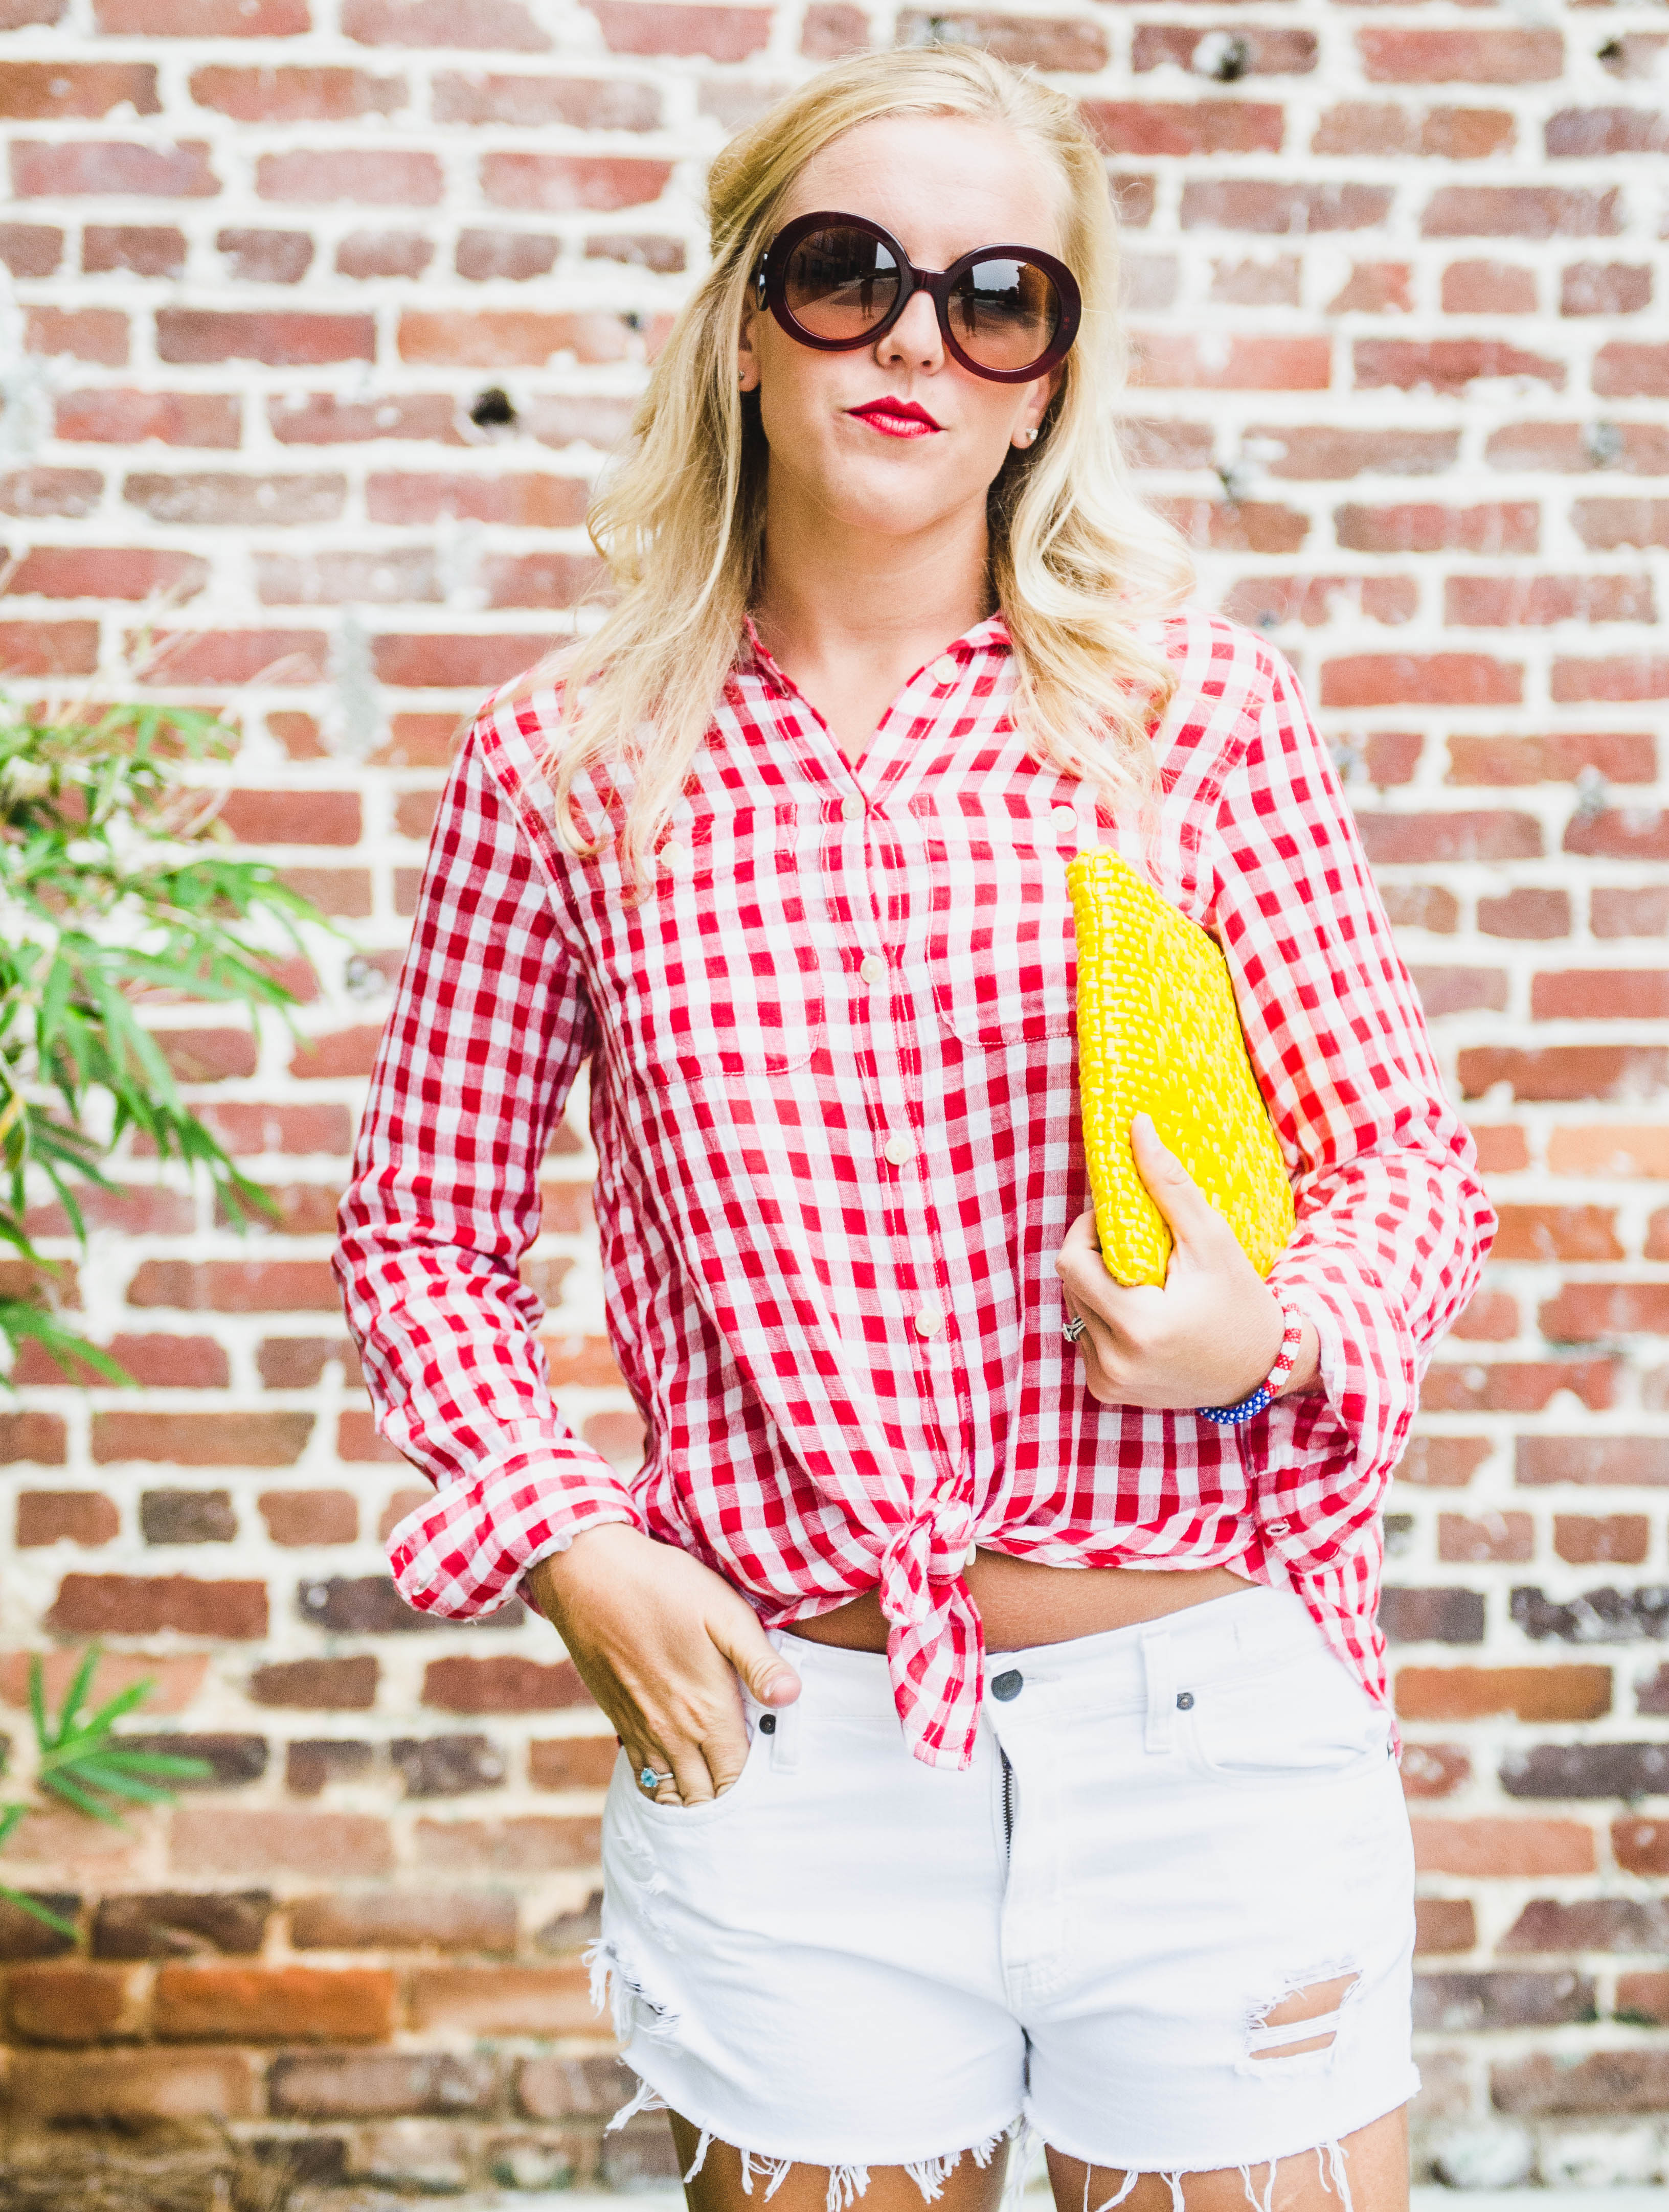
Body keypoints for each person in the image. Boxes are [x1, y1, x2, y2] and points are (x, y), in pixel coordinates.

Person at [335, 44, 1495, 2212]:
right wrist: (567, 1538)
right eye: (847, 270)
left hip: (1207, 1727)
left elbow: (1404, 1166)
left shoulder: (1189, 718)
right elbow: (422, 1232)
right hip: (796, 1752)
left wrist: (1275, 1331)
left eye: (998, 296)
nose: (913, 338)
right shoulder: (564, 767)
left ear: (1050, 374)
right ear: (742, 324)